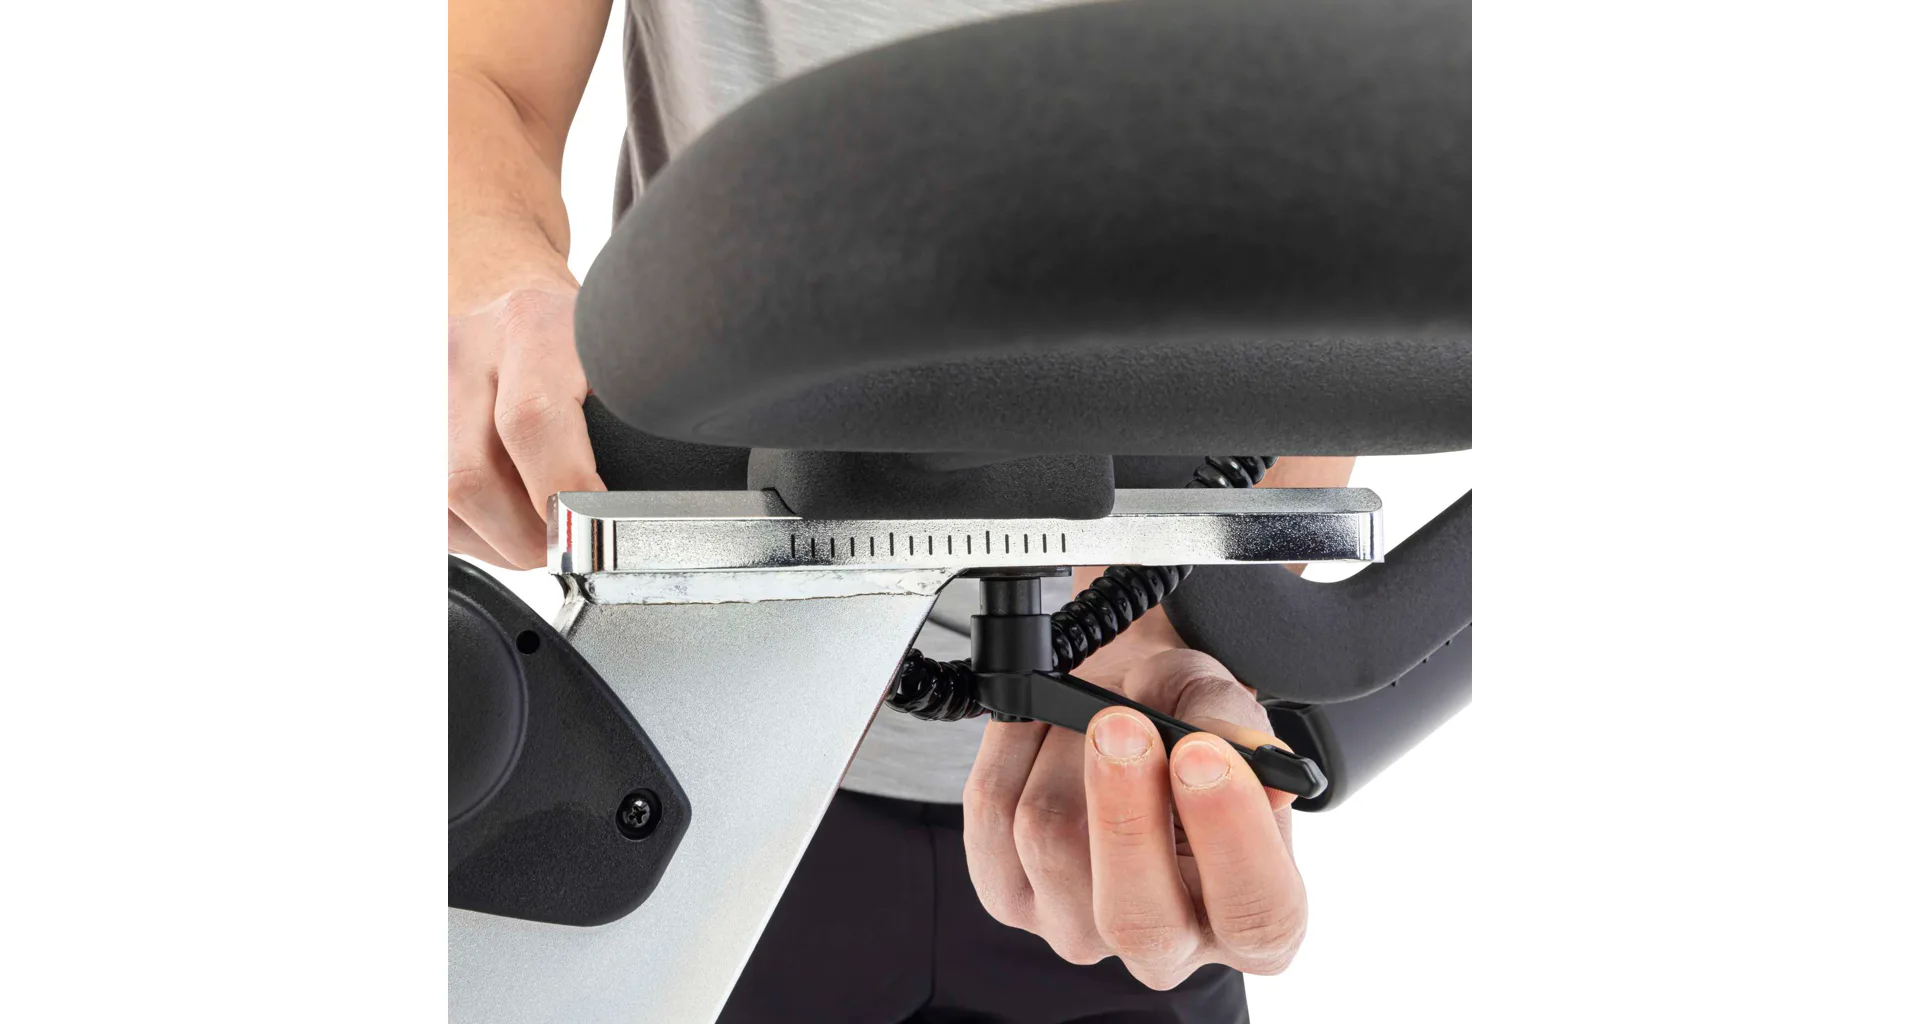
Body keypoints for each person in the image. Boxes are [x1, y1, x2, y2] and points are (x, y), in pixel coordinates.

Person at [450, 2, 1355, 1020]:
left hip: (1112, 807)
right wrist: (502, 293)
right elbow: (486, 79)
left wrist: (1156, 613)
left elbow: (1350, 189)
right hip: (697, 751)